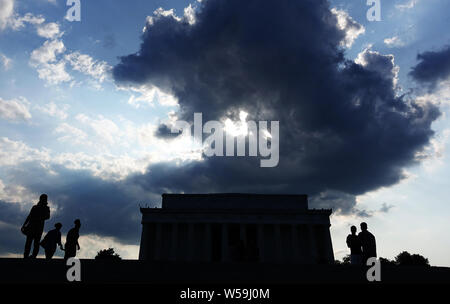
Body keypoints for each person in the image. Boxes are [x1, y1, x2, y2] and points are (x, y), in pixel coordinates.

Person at [22, 194, 51, 258]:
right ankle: (26, 256)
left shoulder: (45, 208)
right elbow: (29, 216)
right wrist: (24, 225)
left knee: (35, 243)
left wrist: (39, 217)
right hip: (32, 227)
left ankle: (33, 256)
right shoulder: (35, 207)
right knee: (29, 243)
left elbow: (47, 217)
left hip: (38, 228)